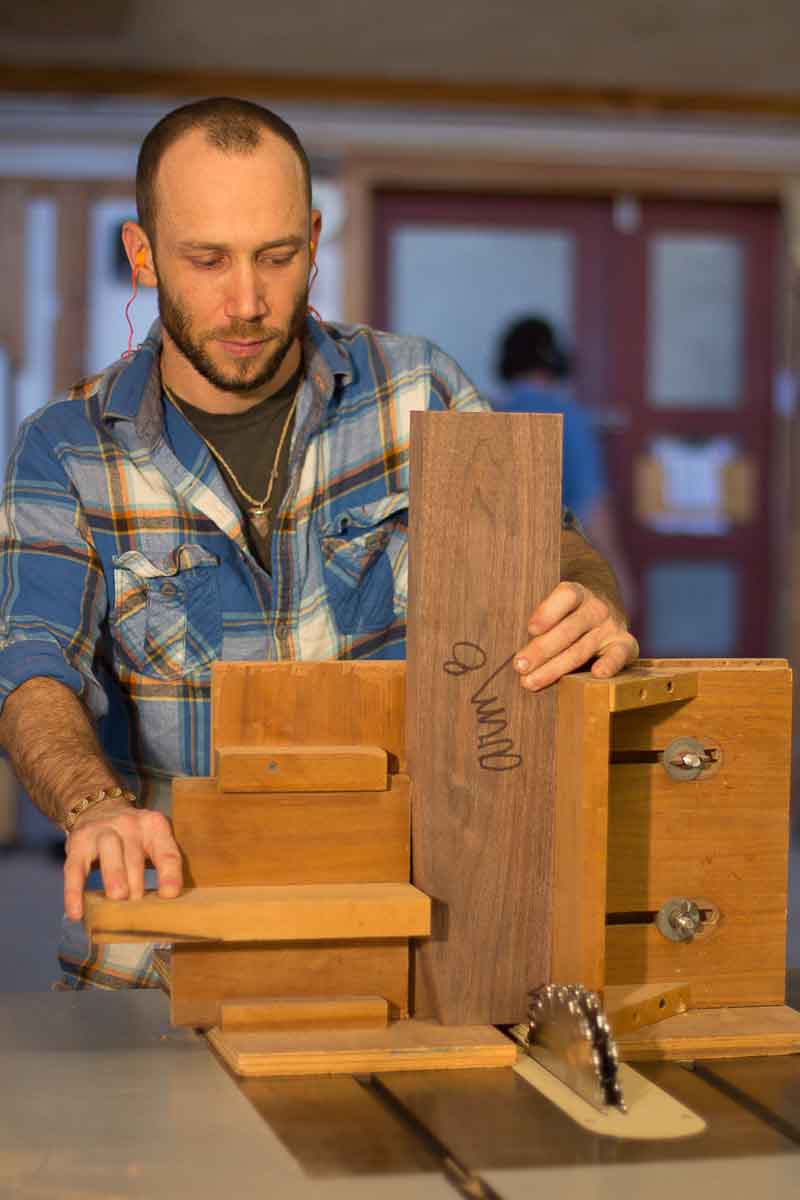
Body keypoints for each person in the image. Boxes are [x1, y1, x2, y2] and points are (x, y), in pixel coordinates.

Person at [0, 99, 638, 989]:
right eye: (207, 259)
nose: (248, 302)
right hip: (167, 958)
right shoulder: (64, 449)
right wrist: (93, 804)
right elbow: (32, 664)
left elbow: (555, 549)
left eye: (276, 256)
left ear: (313, 237)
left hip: (411, 945)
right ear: (142, 254)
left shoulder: (418, 388)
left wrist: (590, 599)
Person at [493, 315, 636, 613]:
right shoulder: (570, 419)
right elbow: (593, 508)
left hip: (494, 576)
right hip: (558, 580)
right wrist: (620, 577)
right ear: (557, 361)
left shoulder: (485, 415)